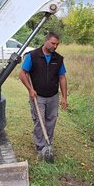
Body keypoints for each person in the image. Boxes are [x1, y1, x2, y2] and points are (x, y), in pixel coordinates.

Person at [18, 32, 68, 160]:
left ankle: (48, 145)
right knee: (39, 122)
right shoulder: (33, 56)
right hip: (37, 96)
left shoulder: (58, 59)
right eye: (53, 43)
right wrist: (30, 89)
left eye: (57, 44)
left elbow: (62, 78)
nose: (55, 47)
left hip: (53, 96)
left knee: (51, 121)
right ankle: (40, 148)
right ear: (46, 41)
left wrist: (64, 97)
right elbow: (23, 73)